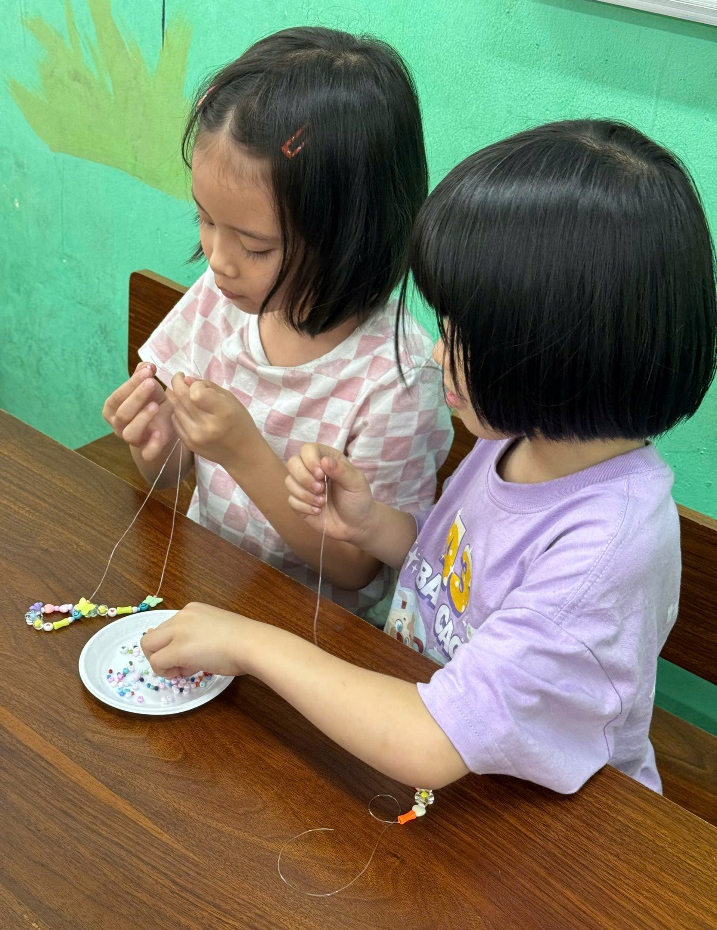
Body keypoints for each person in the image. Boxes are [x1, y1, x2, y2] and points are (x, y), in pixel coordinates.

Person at [141, 120, 717, 794]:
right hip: (436, 739)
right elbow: (463, 577)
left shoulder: (607, 547)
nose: (438, 352)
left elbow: (430, 742)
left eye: (460, 335)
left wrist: (249, 644)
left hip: (543, 822)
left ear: (556, 354)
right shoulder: (520, 438)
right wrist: (373, 526)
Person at [102, 27, 452, 622]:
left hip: (318, 641)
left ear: (352, 237)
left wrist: (244, 452)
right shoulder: (217, 300)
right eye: (205, 220)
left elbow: (355, 568)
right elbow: (169, 477)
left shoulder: (398, 378)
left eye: (256, 246)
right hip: (211, 592)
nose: (217, 259)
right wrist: (155, 445)